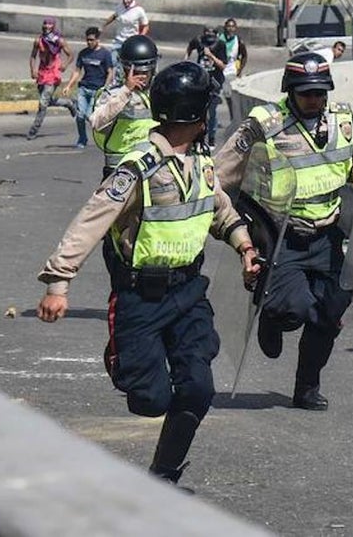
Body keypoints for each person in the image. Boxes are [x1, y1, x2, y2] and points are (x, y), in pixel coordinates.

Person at [35, 61, 260, 485]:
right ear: (194, 116)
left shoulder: (201, 161)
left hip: (190, 292)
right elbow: (91, 220)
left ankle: (164, 474)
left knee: (198, 388)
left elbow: (219, 210)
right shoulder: (139, 166)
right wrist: (58, 283)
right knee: (151, 399)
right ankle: (122, 356)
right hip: (141, 297)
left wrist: (244, 246)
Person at [214, 52, 353, 410]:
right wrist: (234, 231)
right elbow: (221, 175)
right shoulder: (264, 124)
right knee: (294, 309)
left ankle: (306, 387)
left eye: (319, 93)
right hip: (281, 235)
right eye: (305, 93)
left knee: (329, 314)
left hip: (328, 234)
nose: (314, 100)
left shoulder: (343, 120)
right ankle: (271, 312)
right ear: (290, 91)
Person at [90, 34, 159, 179]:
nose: (142, 77)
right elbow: (97, 121)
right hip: (119, 171)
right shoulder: (113, 94)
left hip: (151, 168)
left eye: (146, 72)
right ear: (126, 69)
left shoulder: (158, 93)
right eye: (137, 72)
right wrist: (126, 91)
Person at [26, 18, 76, 140]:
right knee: (48, 100)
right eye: (44, 25)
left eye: (49, 25)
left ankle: (34, 130)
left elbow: (71, 54)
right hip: (42, 73)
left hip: (53, 74)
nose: (46, 27)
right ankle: (68, 103)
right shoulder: (38, 41)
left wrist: (64, 65)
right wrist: (33, 70)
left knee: (43, 103)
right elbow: (33, 56)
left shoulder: (58, 41)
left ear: (53, 27)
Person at [186, 28, 228, 147]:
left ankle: (211, 138)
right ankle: (198, 138)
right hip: (200, 82)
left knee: (212, 112)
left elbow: (223, 66)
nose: (209, 36)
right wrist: (186, 60)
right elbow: (190, 47)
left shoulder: (220, 45)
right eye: (207, 33)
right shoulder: (199, 42)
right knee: (198, 111)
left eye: (212, 34)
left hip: (214, 82)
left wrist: (211, 56)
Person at [104, 0, 150, 67]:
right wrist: (103, 25)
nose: (125, 1)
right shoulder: (120, 7)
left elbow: (146, 26)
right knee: (112, 62)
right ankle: (114, 78)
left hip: (130, 42)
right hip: (118, 40)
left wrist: (140, 37)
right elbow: (114, 16)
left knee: (128, 64)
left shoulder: (139, 10)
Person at [219, 18, 249, 120]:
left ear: (235, 28)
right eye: (228, 26)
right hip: (218, 71)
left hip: (231, 72)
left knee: (230, 96)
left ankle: (233, 118)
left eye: (233, 27)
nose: (230, 29)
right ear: (224, 28)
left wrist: (240, 70)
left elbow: (244, 56)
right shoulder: (219, 39)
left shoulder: (238, 41)